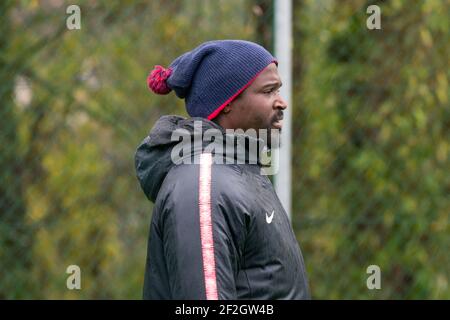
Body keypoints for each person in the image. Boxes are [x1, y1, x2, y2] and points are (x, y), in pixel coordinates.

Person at [135, 40, 310, 299]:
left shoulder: (242, 172)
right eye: (268, 91)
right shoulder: (203, 184)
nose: (281, 103)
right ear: (227, 103)